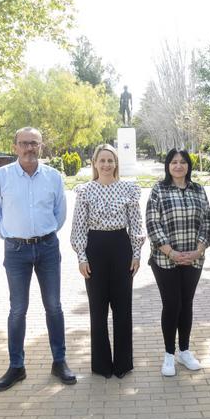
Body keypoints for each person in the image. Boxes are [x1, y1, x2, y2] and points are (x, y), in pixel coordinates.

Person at [0, 127, 76, 391]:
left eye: (33, 143)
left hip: (47, 248)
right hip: (16, 251)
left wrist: (43, 235)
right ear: (15, 147)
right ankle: (16, 366)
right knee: (18, 309)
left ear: (41, 146)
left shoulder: (53, 177)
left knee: (54, 306)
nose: (29, 148)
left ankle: (59, 361)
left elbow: (60, 214)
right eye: (23, 143)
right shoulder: (0, 177)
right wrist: (11, 236)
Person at [71, 144, 145, 378]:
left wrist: (136, 254)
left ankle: (123, 364)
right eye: (101, 161)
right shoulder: (85, 191)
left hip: (121, 247)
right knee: (98, 308)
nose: (106, 165)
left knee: (123, 308)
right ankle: (101, 365)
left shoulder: (128, 189)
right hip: (95, 248)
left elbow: (136, 224)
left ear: (116, 164)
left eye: (110, 161)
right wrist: (82, 257)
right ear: (94, 164)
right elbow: (78, 227)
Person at [145, 149, 210, 377]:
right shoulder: (158, 190)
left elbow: (207, 222)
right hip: (165, 260)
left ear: (188, 166)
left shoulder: (198, 190)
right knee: (172, 305)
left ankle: (184, 351)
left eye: (183, 162)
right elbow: (153, 224)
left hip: (194, 259)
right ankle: (168, 355)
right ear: (167, 165)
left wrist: (199, 250)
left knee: (186, 304)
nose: (178, 166)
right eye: (173, 162)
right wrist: (171, 252)